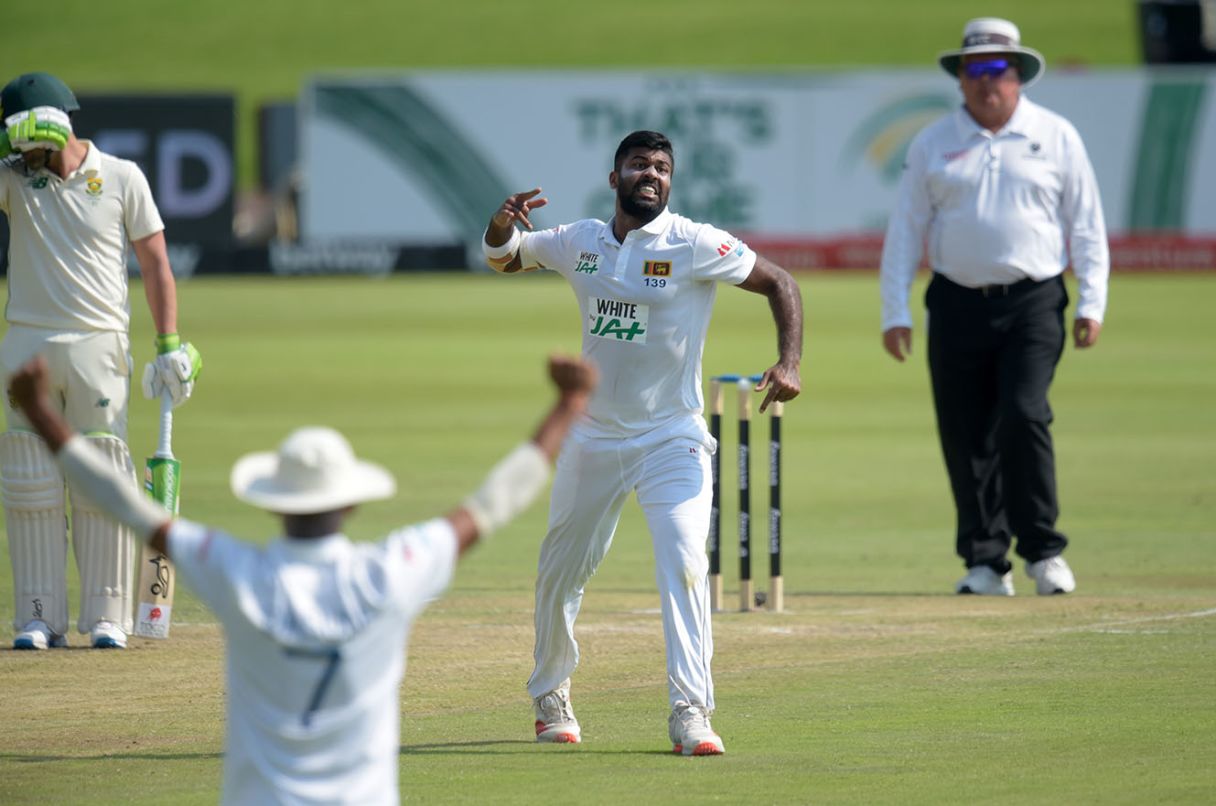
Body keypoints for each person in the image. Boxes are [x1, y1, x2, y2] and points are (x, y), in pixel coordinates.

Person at [7, 351, 597, 805]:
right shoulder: (390, 572)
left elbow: (129, 506)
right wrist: (569, 405)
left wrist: (41, 416)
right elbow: (490, 506)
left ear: (274, 504)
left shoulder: (235, 571)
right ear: (351, 505)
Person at [482, 130, 804, 755]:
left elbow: (781, 283)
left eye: (661, 167)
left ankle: (691, 712)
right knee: (560, 571)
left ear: (670, 181)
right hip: (593, 436)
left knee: (685, 560)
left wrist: (788, 362)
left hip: (671, 435)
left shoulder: (694, 241)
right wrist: (500, 224)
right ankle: (551, 693)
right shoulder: (579, 241)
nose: (650, 175)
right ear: (615, 179)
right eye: (638, 165)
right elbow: (503, 257)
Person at [879, 18, 1109, 597]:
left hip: (1033, 298)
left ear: (1018, 77)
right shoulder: (933, 141)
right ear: (960, 78)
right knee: (964, 431)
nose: (986, 83)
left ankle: (1043, 552)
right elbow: (906, 230)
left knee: (1023, 413)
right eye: (974, 70)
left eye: (997, 71)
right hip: (955, 299)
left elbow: (1086, 225)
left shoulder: (1056, 135)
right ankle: (985, 561)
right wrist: (895, 312)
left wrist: (1092, 301)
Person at [0, 71, 202, 649]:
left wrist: (169, 345)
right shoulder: (13, 179)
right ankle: (37, 615)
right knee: (29, 481)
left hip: (99, 345)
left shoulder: (120, 177)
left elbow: (156, 263)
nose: (25, 153)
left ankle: (107, 615)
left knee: (101, 478)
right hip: (26, 344)